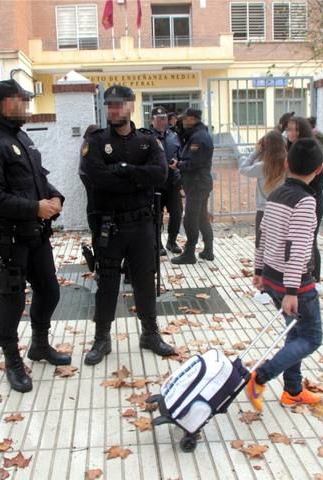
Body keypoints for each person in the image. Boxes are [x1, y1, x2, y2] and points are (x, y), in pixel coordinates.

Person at [0, 79, 70, 393]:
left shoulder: (22, 138)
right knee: (12, 300)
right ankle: (12, 359)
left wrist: (55, 199)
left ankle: (39, 345)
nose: (26, 105)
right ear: (2, 102)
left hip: (36, 233)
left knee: (50, 291)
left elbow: (38, 181)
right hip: (8, 237)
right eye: (20, 99)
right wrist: (34, 208)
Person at [80, 84, 174, 366]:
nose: (114, 110)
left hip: (142, 225)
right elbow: (96, 177)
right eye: (110, 105)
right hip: (110, 226)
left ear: (131, 106)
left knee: (145, 280)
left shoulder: (146, 140)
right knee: (107, 282)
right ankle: (102, 338)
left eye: (120, 105)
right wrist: (137, 177)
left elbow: (160, 175)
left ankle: (150, 333)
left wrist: (123, 171)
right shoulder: (96, 141)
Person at [247, 138, 323, 412]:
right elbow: (298, 248)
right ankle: (261, 376)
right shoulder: (306, 202)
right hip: (295, 284)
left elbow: (263, 235)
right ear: (319, 168)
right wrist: (293, 290)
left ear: (286, 164)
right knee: (312, 338)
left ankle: (293, 391)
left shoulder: (277, 194)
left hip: (272, 277)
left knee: (294, 335)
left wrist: (258, 271)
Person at [171, 108, 215, 265]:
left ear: (193, 119)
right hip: (200, 183)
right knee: (202, 216)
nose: (182, 121)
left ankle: (189, 253)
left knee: (190, 219)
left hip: (197, 183)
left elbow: (194, 163)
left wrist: (178, 165)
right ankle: (208, 250)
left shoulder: (198, 138)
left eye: (185, 119)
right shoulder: (198, 134)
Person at [287, 116, 323, 284]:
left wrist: (305, 197)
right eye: (289, 129)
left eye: (296, 129)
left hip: (312, 199)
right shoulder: (289, 148)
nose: (291, 133)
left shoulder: (311, 149)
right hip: (295, 200)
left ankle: (314, 279)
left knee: (310, 240)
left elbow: (318, 182)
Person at [238, 130, 287, 249]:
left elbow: (243, 168)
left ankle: (261, 267)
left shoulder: (262, 166)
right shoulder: (288, 163)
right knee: (279, 245)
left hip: (264, 209)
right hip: (284, 209)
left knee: (261, 244)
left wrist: (256, 152)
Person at [151, 106, 183, 254]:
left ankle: (172, 241)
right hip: (156, 184)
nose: (162, 121)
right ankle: (157, 245)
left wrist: (177, 164)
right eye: (158, 119)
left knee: (176, 214)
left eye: (164, 118)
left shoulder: (173, 136)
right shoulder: (146, 136)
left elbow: (180, 154)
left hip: (173, 182)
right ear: (152, 120)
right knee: (157, 215)